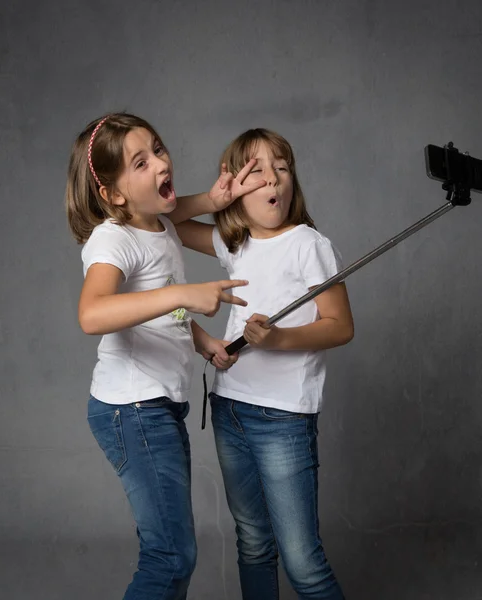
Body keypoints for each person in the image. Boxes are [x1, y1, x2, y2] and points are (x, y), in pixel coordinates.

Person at [64, 112, 265, 600]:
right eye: (140, 161)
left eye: (157, 148)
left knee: (170, 551)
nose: (160, 162)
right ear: (113, 194)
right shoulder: (114, 238)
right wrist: (183, 296)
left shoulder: (154, 225)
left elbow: (157, 305)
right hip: (132, 409)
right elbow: (93, 314)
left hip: (156, 407)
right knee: (171, 556)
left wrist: (204, 341)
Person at [175, 128, 354, 599]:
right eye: (257, 173)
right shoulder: (233, 243)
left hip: (283, 418)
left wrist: (279, 337)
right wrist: (212, 198)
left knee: (303, 562)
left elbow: (340, 325)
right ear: (236, 186)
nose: (274, 179)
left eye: (282, 167)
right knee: (253, 543)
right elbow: (162, 218)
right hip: (230, 408)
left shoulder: (308, 244)